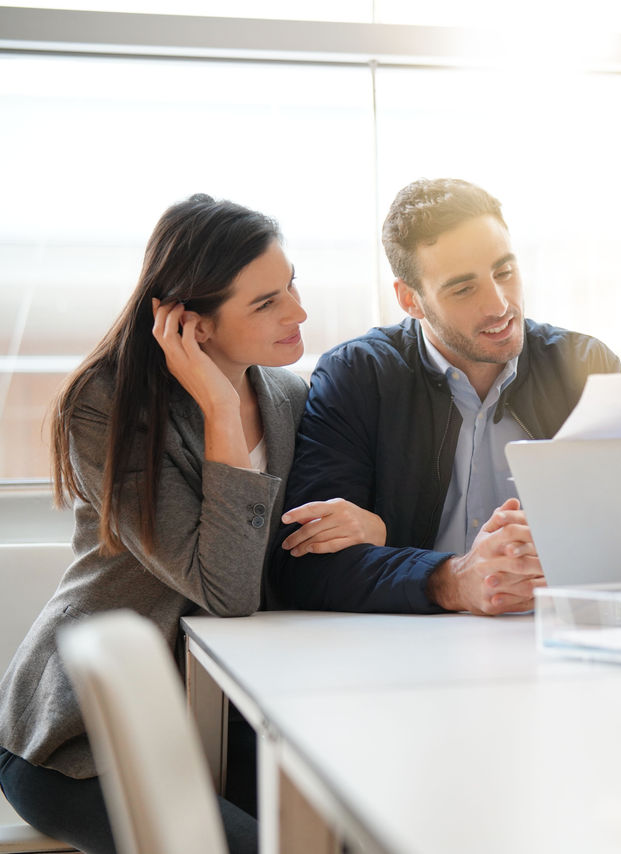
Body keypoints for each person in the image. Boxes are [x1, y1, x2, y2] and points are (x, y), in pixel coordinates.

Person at [0, 194, 380, 854]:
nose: (299, 312)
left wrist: (369, 527)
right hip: (83, 740)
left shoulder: (292, 397)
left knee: (360, 833)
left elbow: (295, 561)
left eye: (291, 285)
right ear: (193, 326)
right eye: (265, 303)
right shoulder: (105, 407)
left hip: (231, 722)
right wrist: (219, 410)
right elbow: (226, 589)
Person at [273, 178, 621, 615]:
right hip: (409, 650)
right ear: (410, 299)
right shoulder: (358, 376)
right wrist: (453, 580)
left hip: (559, 634)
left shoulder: (585, 366)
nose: (499, 305)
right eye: (463, 288)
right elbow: (306, 568)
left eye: (505, 272)